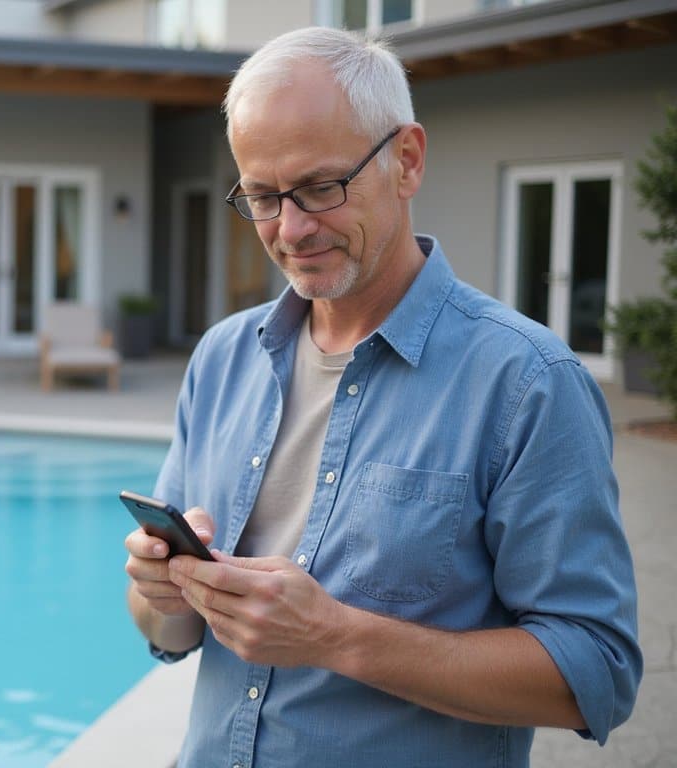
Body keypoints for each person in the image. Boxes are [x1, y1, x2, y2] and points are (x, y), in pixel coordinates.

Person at [124, 26, 642, 767]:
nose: (290, 230)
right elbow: (165, 632)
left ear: (407, 161)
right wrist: (161, 594)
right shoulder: (223, 357)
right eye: (263, 197)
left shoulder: (527, 382)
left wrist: (333, 634)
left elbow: (598, 672)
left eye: (321, 188)